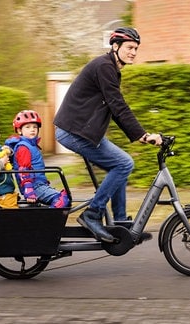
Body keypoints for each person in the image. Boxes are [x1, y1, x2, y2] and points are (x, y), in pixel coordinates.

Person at [53, 27, 162, 243]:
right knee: (124, 164)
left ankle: (119, 222)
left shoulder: (109, 68)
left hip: (81, 131)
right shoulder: (104, 66)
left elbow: (115, 108)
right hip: (73, 131)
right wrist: (143, 134)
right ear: (115, 46)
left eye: (136, 49)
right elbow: (118, 104)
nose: (133, 52)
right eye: (130, 47)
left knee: (119, 165)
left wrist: (140, 135)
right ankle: (92, 215)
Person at [5, 110, 70, 208]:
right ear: (19, 130)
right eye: (28, 127)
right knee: (63, 200)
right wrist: (28, 189)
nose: (32, 129)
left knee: (65, 197)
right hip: (34, 186)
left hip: (39, 184)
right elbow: (23, 169)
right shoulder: (23, 147)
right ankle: (47, 221)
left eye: (35, 127)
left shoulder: (31, 145)